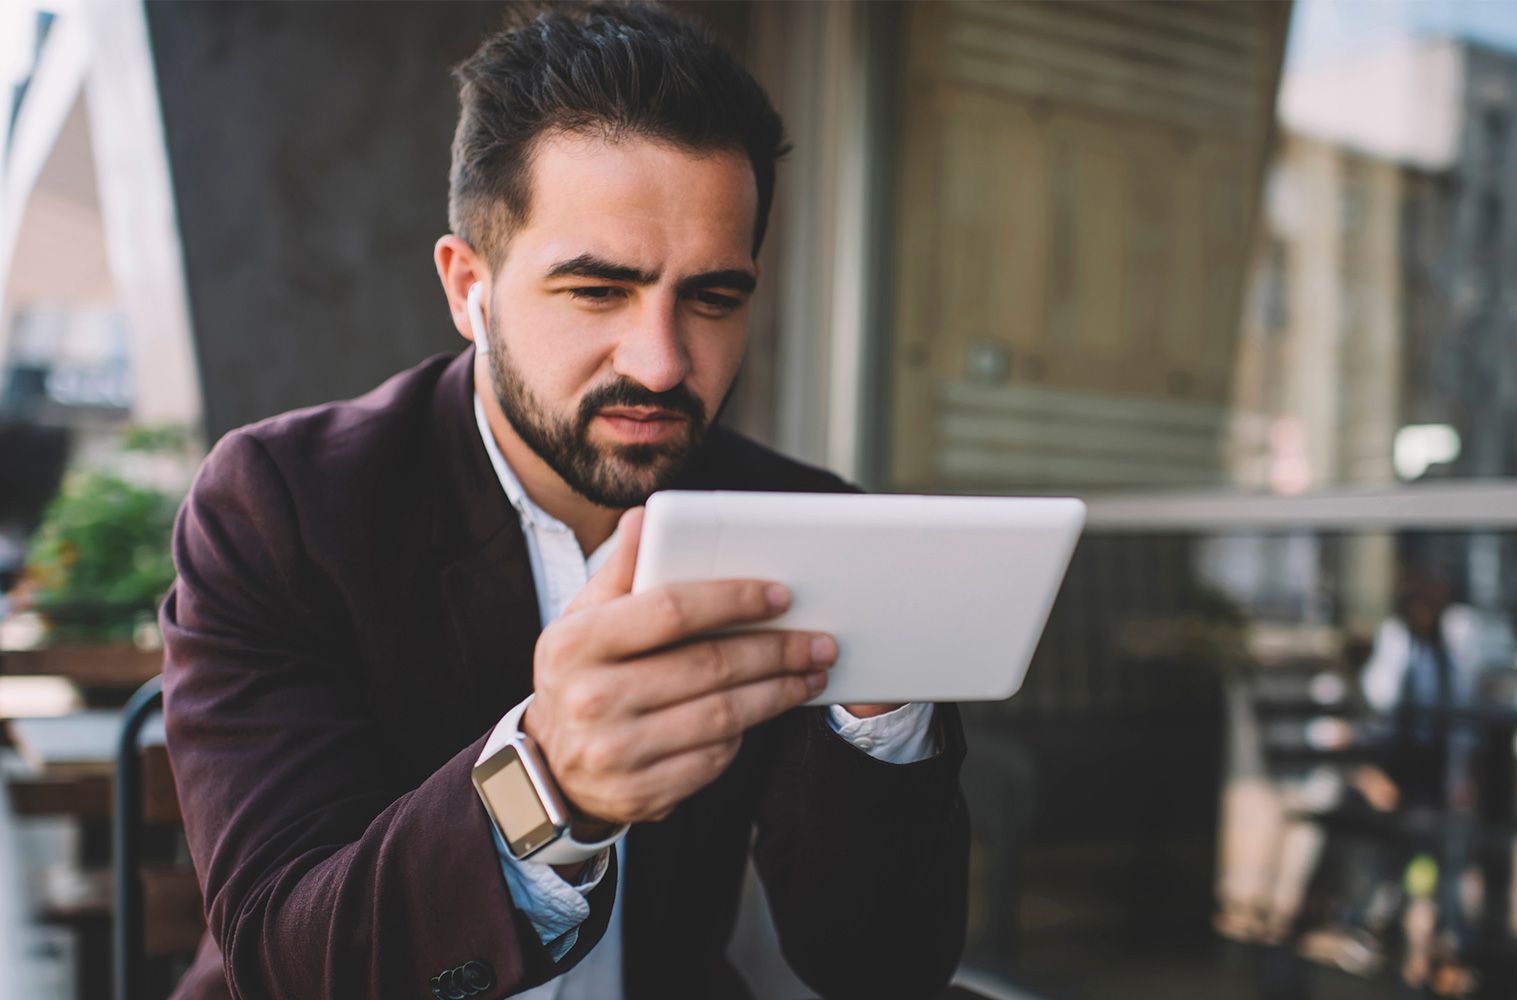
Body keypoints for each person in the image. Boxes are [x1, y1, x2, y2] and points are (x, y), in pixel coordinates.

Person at [158, 5, 969, 999]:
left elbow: (881, 968)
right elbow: (288, 959)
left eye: (713, 297)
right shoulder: (284, 505)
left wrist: (880, 724)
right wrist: (545, 790)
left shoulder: (802, 524)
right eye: (596, 290)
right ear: (470, 288)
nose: (663, 361)